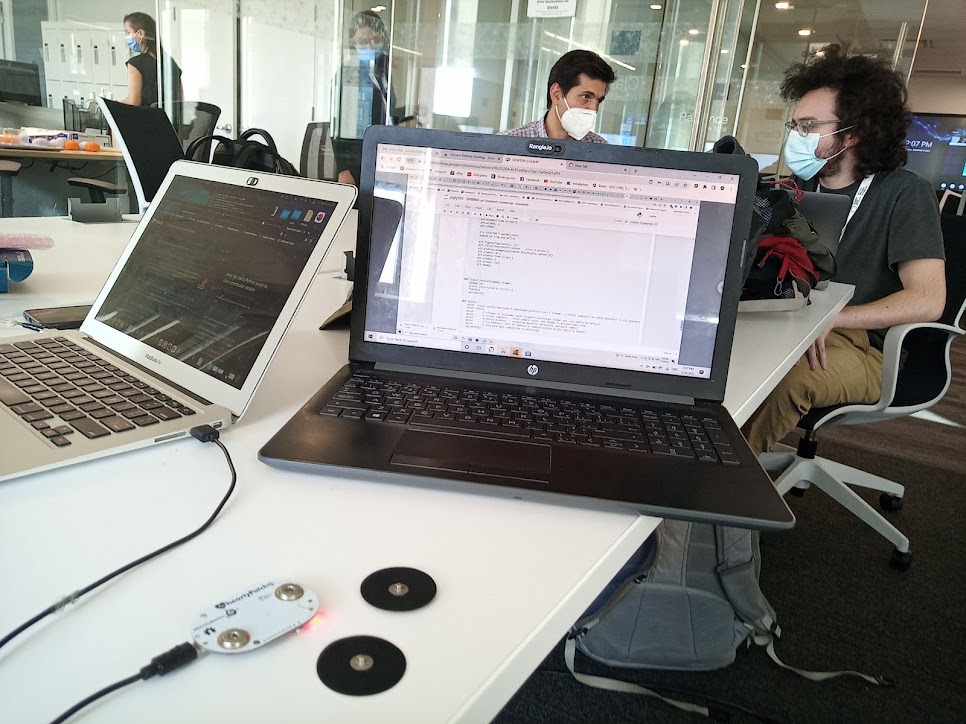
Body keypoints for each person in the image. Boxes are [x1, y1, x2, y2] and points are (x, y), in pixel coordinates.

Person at [741, 45, 946, 455]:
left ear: (852, 133)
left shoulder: (904, 193)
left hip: (864, 344)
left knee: (787, 380)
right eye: (795, 126)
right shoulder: (793, 190)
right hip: (786, 323)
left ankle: (717, 479)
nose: (796, 137)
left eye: (808, 126)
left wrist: (835, 318)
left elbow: (928, 300)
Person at [499, 50, 616, 143]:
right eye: (586, 97)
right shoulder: (507, 143)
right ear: (557, 94)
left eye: (599, 100)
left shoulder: (600, 149)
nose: (594, 109)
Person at [337, 11, 395, 186]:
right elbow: (341, 123)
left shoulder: (383, 71)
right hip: (358, 160)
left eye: (375, 40)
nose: (369, 46)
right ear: (353, 43)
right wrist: (344, 169)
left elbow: (385, 110)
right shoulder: (350, 73)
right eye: (363, 41)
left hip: (384, 155)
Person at [120, 12, 183, 107]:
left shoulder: (136, 64)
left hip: (147, 116)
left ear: (140, 33)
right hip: (169, 117)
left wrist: (112, 105)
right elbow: (180, 101)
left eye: (128, 32)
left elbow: (134, 102)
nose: (126, 37)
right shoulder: (171, 63)